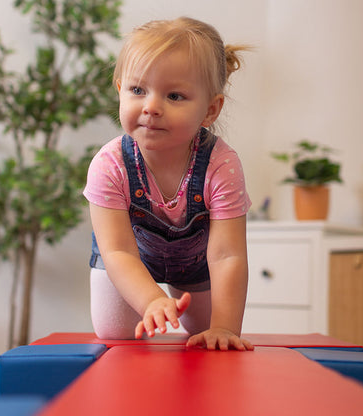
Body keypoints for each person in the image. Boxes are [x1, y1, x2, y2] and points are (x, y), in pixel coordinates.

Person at [83, 16, 254, 351]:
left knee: (207, 337)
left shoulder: (221, 165)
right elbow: (117, 249)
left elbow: (226, 255)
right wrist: (150, 299)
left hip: (195, 261)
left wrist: (225, 327)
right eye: (137, 90)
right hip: (131, 257)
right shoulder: (109, 164)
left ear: (210, 109)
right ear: (120, 89)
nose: (151, 107)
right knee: (114, 333)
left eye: (174, 96)